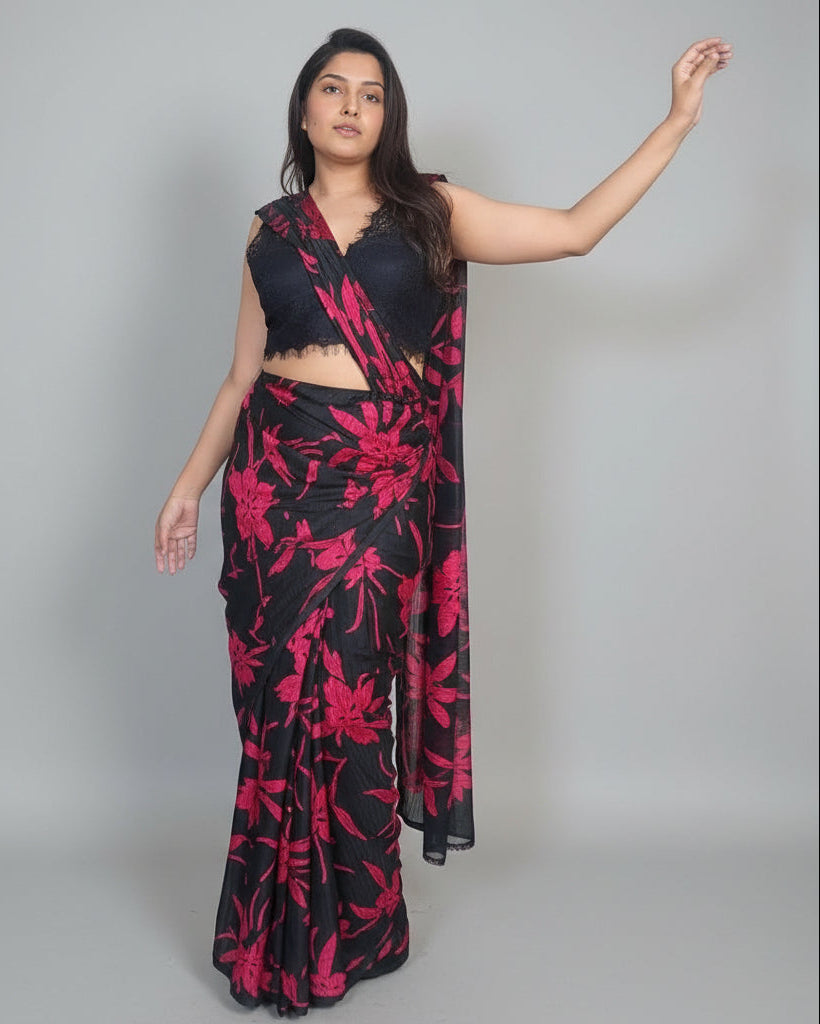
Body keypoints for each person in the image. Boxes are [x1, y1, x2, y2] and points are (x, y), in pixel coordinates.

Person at [154, 26, 732, 1018]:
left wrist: (674, 120)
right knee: (277, 715)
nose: (349, 107)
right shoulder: (268, 234)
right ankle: (284, 933)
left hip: (376, 498)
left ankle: (350, 927)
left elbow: (572, 230)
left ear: (389, 115)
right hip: (271, 491)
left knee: (338, 706)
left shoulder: (431, 212)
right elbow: (241, 375)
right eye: (331, 89)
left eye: (370, 94)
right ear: (302, 110)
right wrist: (185, 488)